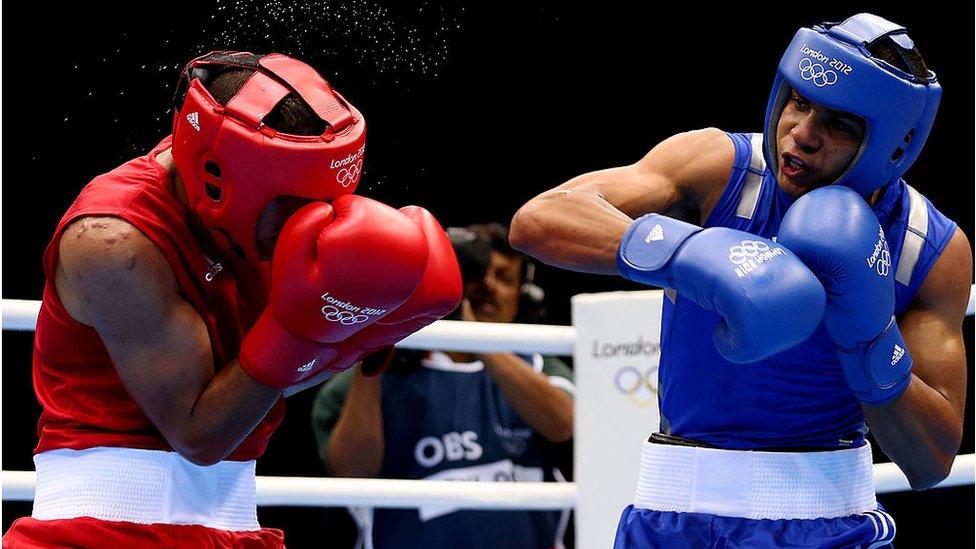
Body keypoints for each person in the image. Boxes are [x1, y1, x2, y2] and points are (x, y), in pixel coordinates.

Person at [510, 13, 970, 548]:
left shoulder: (926, 247)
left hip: (828, 524)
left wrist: (869, 341)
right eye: (799, 102)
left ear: (895, 144)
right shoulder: (722, 169)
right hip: (671, 515)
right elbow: (540, 219)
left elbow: (932, 460)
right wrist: (687, 253)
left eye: (840, 124)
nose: (802, 134)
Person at [3, 51, 461, 548]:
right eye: (295, 205)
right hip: (100, 533)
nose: (312, 221)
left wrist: (358, 330)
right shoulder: (114, 239)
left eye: (327, 199)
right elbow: (200, 434)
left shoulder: (255, 211)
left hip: (233, 524)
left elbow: (262, 384)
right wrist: (308, 331)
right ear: (221, 179)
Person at [312, 222, 575, 549]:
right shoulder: (370, 378)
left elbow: (563, 423)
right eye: (475, 276)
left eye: (504, 277)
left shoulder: (538, 364)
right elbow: (352, 475)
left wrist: (472, 332)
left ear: (524, 297)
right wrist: (378, 344)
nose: (487, 286)